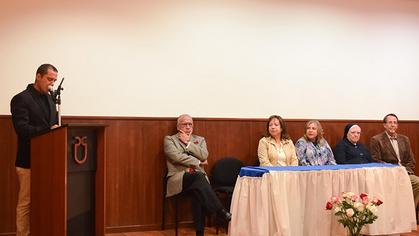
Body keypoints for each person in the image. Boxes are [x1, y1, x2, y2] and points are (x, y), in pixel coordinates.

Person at [10, 64, 59, 236]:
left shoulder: (50, 100)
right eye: (49, 79)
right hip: (28, 160)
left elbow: (54, 127)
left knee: (46, 201)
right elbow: (22, 129)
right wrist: (47, 132)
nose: (52, 83)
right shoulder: (20, 99)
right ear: (38, 76)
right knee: (26, 203)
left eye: (54, 80)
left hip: (48, 160)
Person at [164, 114, 231, 236]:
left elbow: (204, 155)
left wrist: (189, 143)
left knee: (198, 187)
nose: (188, 127)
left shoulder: (200, 140)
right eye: (185, 124)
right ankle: (220, 211)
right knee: (199, 178)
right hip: (178, 178)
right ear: (178, 126)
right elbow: (176, 157)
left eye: (190, 124)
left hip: (197, 180)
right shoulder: (170, 140)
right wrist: (198, 161)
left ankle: (200, 232)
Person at [370, 113, 419, 210]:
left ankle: (409, 209)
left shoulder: (404, 139)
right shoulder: (376, 139)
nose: (392, 125)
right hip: (388, 174)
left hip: (405, 172)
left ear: (397, 125)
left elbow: (411, 160)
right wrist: (393, 169)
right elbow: (375, 160)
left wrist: (404, 170)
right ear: (384, 125)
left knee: (418, 182)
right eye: (390, 122)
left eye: (395, 123)